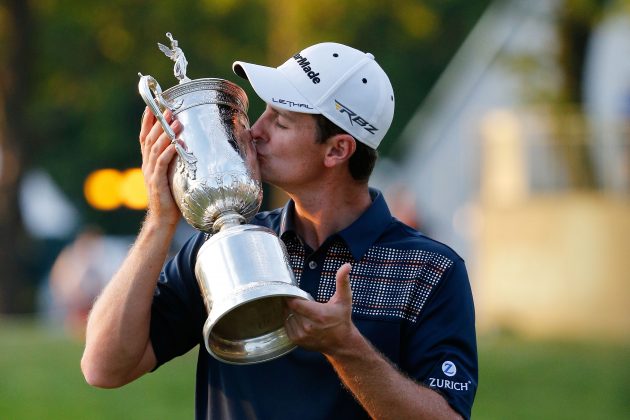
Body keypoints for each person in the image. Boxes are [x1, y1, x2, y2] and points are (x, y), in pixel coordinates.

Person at [81, 42, 478, 419]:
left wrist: (346, 348)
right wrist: (159, 221)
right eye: (265, 112)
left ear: (337, 150)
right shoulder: (223, 244)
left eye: (281, 121)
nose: (255, 131)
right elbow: (104, 367)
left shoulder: (431, 270)